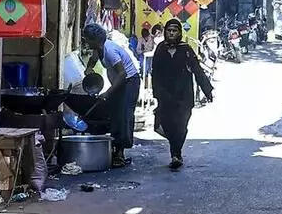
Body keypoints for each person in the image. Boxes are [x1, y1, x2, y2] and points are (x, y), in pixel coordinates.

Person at [152, 19, 213, 170]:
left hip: (184, 96)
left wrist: (207, 90)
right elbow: (155, 73)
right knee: (167, 124)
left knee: (181, 126)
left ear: (179, 33)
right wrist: (157, 93)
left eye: (175, 31)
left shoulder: (186, 49)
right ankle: (176, 153)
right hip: (165, 95)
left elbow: (197, 70)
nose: (171, 33)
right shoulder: (160, 49)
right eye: (169, 31)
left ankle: (176, 153)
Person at [83, 22, 140, 168]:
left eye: (87, 39)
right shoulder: (98, 48)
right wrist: (89, 68)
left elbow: (122, 73)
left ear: (95, 39)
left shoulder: (109, 50)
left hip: (129, 82)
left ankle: (120, 153)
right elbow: (93, 59)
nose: (86, 41)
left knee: (124, 115)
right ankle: (114, 149)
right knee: (115, 113)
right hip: (120, 82)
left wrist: (107, 93)